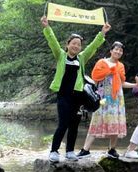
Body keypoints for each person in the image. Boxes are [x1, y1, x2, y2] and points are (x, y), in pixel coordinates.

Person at [40, 15, 109, 163]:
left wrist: (102, 32)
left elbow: (93, 46)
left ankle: (70, 151)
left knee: (74, 125)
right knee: (63, 123)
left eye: (78, 44)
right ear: (68, 44)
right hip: (63, 95)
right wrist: (46, 27)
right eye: (73, 43)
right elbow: (52, 42)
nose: (76, 46)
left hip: (78, 97)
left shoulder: (81, 58)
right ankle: (54, 151)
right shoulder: (61, 56)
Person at [77, 42, 135, 159]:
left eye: (120, 50)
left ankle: (112, 149)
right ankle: (85, 149)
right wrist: (109, 71)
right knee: (97, 119)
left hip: (116, 98)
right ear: (111, 50)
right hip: (103, 96)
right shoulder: (102, 63)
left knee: (115, 121)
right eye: (116, 49)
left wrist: (136, 85)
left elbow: (122, 83)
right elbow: (95, 78)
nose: (118, 52)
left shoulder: (120, 66)